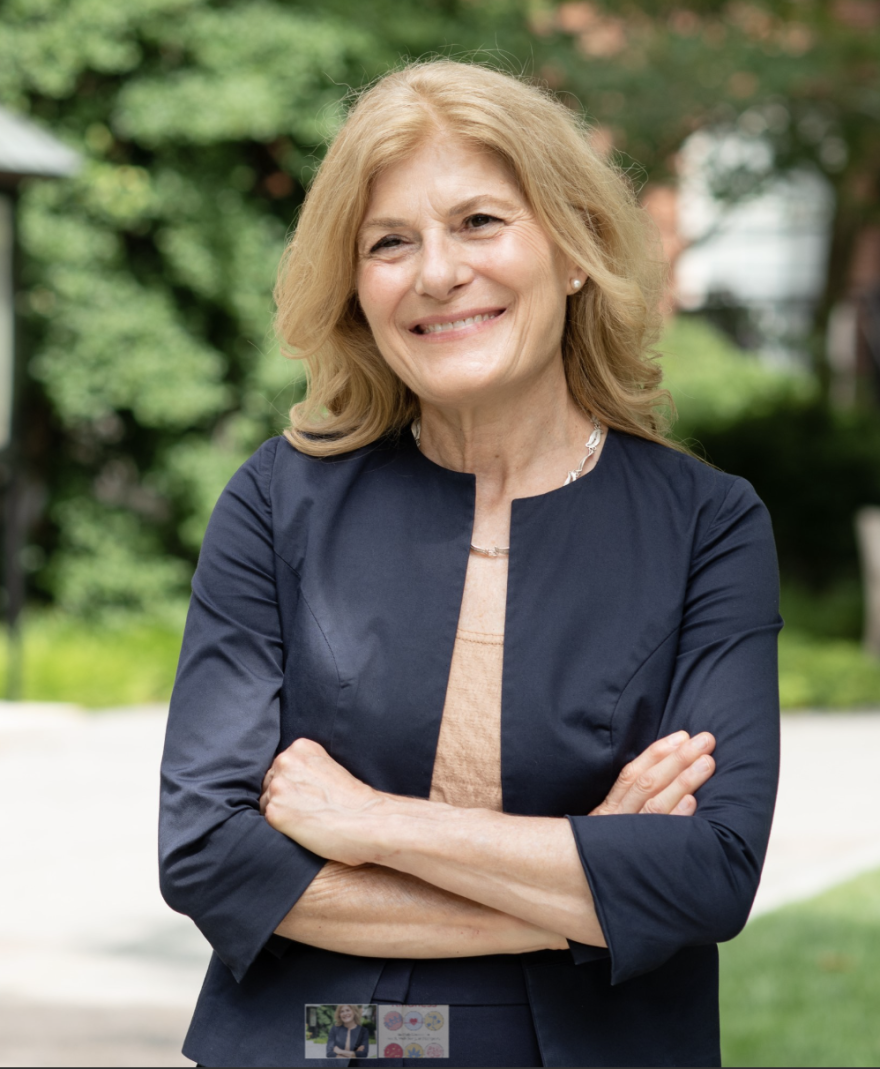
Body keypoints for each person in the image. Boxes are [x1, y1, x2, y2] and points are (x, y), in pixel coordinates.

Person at [159, 60, 781, 1068]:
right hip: (339, 1038)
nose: (435, 273)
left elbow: (707, 873)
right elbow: (210, 858)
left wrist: (364, 822)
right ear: (358, 290)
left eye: (480, 223)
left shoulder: (705, 524)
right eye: (389, 243)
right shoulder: (278, 501)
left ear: (573, 250)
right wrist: (589, 884)